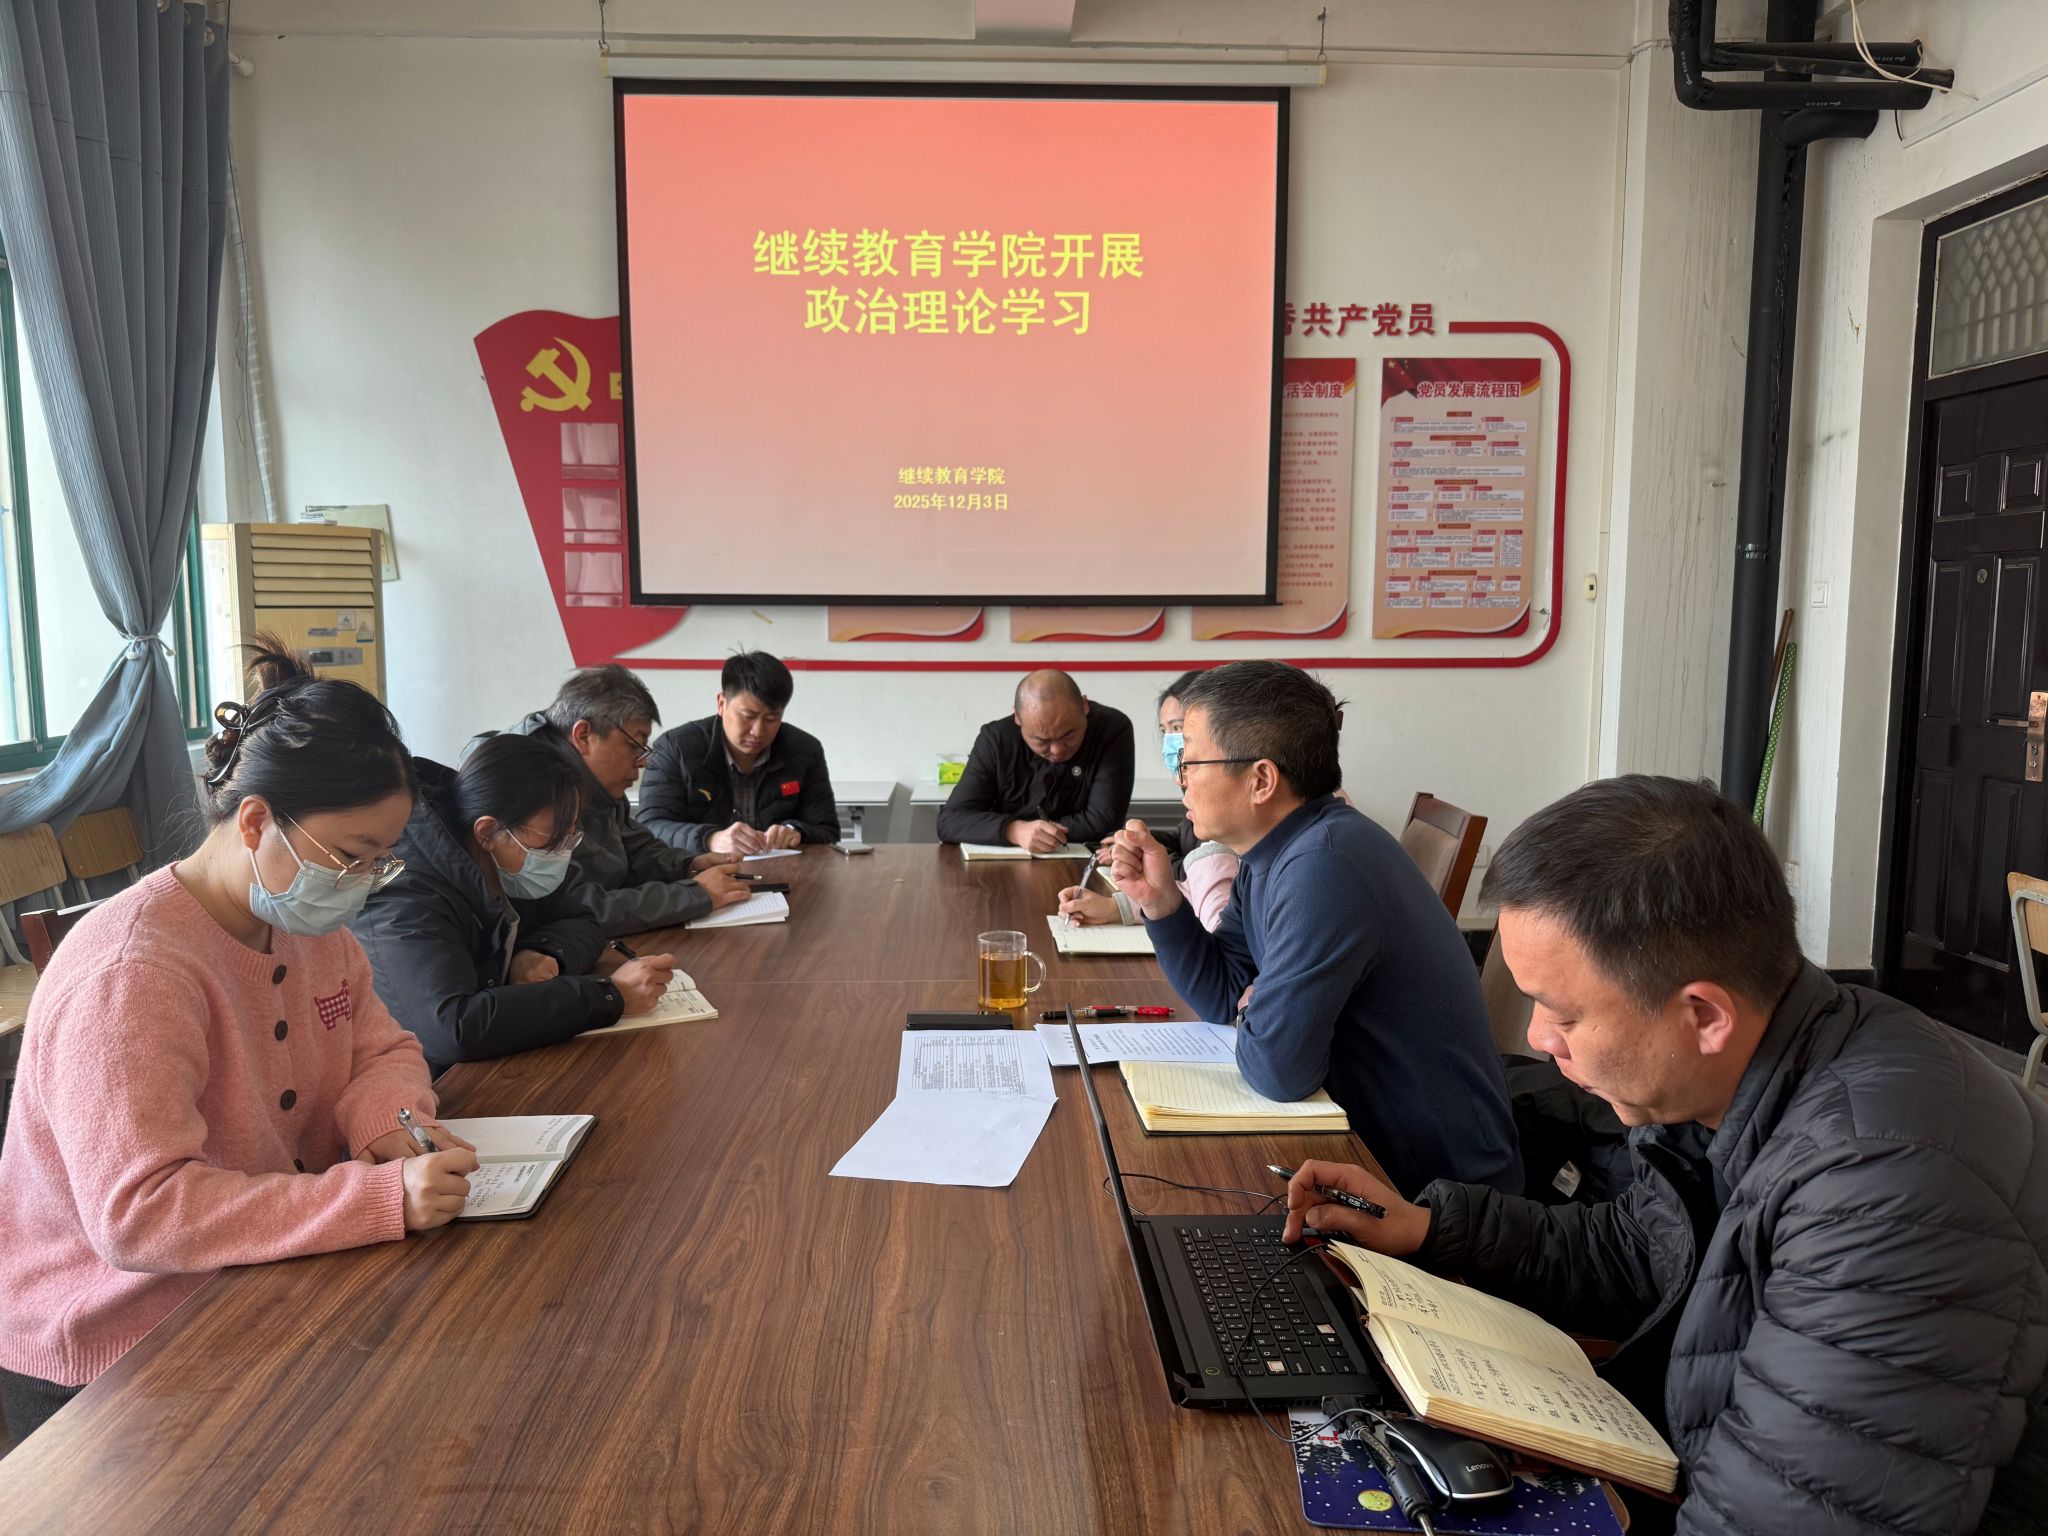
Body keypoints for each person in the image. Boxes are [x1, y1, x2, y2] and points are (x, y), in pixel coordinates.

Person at [1280, 775, 2048, 1534]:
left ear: (1704, 1014)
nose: (1539, 1039)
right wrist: (1428, 1229)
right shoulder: (1747, 1069)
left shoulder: (1889, 1193)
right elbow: (1643, 1250)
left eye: (1562, 1013)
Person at [0, 641, 480, 1443]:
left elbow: (384, 1048)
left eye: (379, 863)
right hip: (113, 1349)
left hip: (259, 1280)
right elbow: (142, 1216)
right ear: (256, 821)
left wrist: (386, 1121)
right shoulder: (134, 973)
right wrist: (373, 1199)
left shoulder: (310, 930)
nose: (361, 884)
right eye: (351, 857)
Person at [1106, 660, 1519, 1194]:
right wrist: (1161, 905)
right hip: (1361, 1143)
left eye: (1190, 759)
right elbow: (1225, 991)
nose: (1180, 775)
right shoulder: (1274, 850)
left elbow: (1278, 1070)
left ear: (1260, 780)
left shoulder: (1325, 865)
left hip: (1434, 1191)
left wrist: (1259, 1009)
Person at [350, 734, 676, 1074]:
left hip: (501, 1058)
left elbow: (583, 921)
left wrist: (541, 952)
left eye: (570, 835)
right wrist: (609, 996)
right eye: (554, 838)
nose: (563, 851)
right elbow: (454, 1028)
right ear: (488, 832)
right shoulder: (406, 894)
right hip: (431, 1083)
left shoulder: (509, 861)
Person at [481, 664, 750, 934]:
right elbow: (572, 905)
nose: (642, 763)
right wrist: (695, 894)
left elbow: (636, 850)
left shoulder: (594, 779)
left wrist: (688, 865)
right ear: (583, 735)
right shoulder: (526, 783)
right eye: (634, 746)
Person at [1057, 671, 1237, 931]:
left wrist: (1150, 857)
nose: (1170, 741)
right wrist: (1141, 845)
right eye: (1165, 731)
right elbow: (1186, 846)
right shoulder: (1196, 795)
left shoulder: (1231, 814)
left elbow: (1198, 876)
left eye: (1178, 728)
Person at [638, 651, 840, 856]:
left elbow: (827, 830)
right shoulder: (676, 749)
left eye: (771, 719)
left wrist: (796, 831)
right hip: (701, 872)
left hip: (782, 870)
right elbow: (650, 827)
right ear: (721, 704)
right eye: (748, 716)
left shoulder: (804, 751)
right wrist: (710, 839)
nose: (758, 731)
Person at [937, 669, 1135, 851]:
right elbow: (950, 821)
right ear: (1018, 718)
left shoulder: (1111, 729)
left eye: (1069, 735)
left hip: (1082, 859)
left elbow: (1103, 820)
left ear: (1084, 706)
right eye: (1042, 741)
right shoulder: (997, 740)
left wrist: (1041, 833)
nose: (1057, 750)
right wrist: (1014, 830)